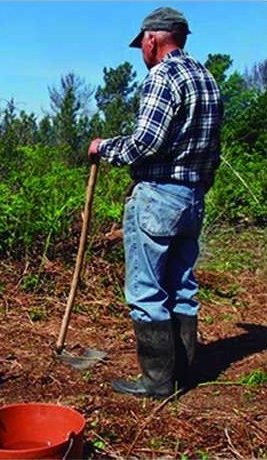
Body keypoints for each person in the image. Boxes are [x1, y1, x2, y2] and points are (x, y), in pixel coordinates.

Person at [87, 6, 223, 398]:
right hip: (193, 197)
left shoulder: (162, 77)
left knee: (146, 290)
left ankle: (157, 381)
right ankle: (182, 374)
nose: (142, 53)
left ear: (152, 39)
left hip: (159, 197)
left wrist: (103, 148)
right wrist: (199, 188)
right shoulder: (207, 78)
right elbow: (213, 148)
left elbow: (145, 143)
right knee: (182, 286)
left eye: (141, 45)